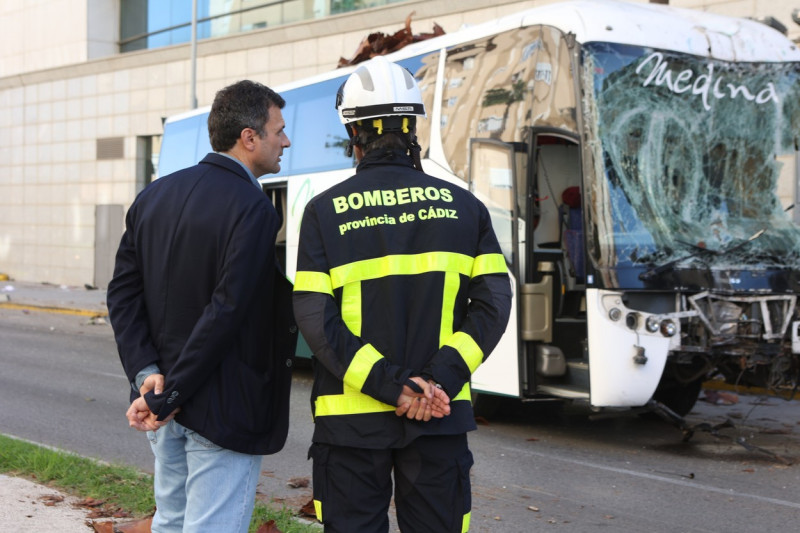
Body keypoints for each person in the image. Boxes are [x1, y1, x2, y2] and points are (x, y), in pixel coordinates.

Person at [292, 56, 512, 533]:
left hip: (351, 425)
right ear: (412, 126)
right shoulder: (466, 207)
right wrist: (436, 382)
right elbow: (493, 306)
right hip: (439, 415)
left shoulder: (323, 213)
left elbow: (314, 318)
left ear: (354, 134)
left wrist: (395, 387)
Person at [107, 79, 297, 533]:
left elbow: (122, 295)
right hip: (220, 408)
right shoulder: (253, 207)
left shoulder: (153, 196)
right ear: (249, 138)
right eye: (279, 130)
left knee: (170, 522)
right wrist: (171, 395)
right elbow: (226, 310)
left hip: (162, 402)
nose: (285, 141)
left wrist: (147, 377)